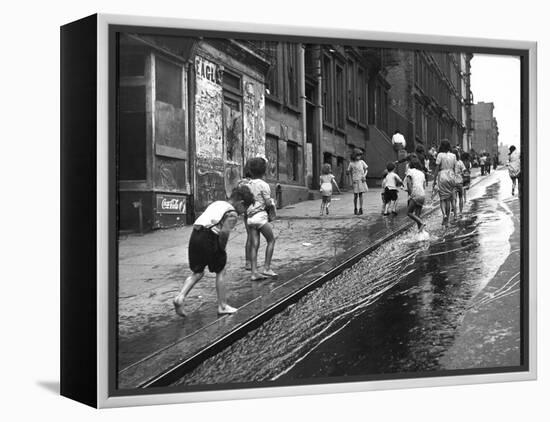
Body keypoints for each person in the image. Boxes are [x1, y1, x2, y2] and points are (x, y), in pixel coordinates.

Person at [173, 185, 255, 317]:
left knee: (198, 272)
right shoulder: (232, 213)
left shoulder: (218, 203)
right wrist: (221, 250)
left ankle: (180, 297)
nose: (244, 212)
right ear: (240, 203)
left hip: (195, 234)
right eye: (245, 208)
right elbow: (224, 233)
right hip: (209, 237)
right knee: (221, 270)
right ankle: (222, 306)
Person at [246, 157, 278, 280]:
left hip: (250, 218)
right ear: (264, 171)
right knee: (271, 240)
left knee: (254, 244)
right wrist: (272, 203)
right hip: (260, 218)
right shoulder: (264, 185)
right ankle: (267, 268)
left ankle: (254, 272)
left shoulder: (247, 184)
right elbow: (268, 203)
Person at [432, 139, 457, 226]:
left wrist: (434, 180)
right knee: (449, 198)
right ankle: (447, 220)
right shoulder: (453, 156)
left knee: (443, 198)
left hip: (442, 176)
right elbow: (455, 168)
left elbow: (437, 168)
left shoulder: (440, 155)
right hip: (451, 175)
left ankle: (444, 215)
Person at [405, 157, 427, 232]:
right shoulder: (422, 173)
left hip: (415, 193)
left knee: (409, 212)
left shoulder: (410, 171)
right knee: (417, 215)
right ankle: (421, 233)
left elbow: (408, 183)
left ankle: (421, 222)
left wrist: (410, 194)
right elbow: (424, 186)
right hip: (422, 194)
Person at [347, 148, 369, 215]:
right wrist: (349, 177)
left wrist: (364, 175)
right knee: (355, 195)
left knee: (361, 195)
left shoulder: (362, 162)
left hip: (361, 180)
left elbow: (366, 169)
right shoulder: (351, 163)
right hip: (355, 180)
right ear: (354, 156)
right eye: (357, 155)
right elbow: (348, 171)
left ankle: (361, 208)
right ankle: (355, 208)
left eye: (360, 155)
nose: (359, 157)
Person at [453, 149, 467, 216]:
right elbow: (464, 170)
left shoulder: (451, 162)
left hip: (452, 182)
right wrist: (461, 173)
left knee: (454, 199)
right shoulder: (460, 162)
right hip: (460, 182)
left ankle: (455, 214)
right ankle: (460, 212)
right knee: (461, 197)